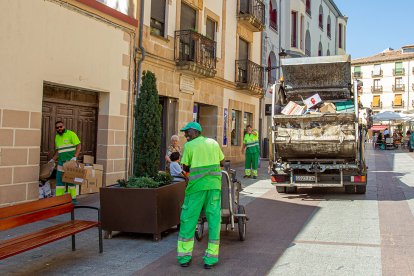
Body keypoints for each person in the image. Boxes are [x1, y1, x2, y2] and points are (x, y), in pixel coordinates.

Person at [177, 122, 225, 269]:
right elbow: (222, 162)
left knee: (188, 219)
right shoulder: (213, 143)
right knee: (214, 220)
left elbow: (185, 167)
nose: (185, 135)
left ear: (196, 132)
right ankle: (211, 258)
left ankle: (184, 257)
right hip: (214, 187)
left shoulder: (190, 146)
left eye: (188, 132)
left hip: (196, 189)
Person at [49, 121, 81, 202]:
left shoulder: (71, 134)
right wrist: (53, 159)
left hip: (70, 162)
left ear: (64, 126)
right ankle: (59, 200)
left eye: (61, 126)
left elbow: (79, 146)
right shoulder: (57, 137)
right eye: (57, 127)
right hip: (60, 162)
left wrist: (75, 157)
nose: (59, 128)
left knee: (71, 182)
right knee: (59, 182)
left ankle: (72, 200)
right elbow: (58, 151)